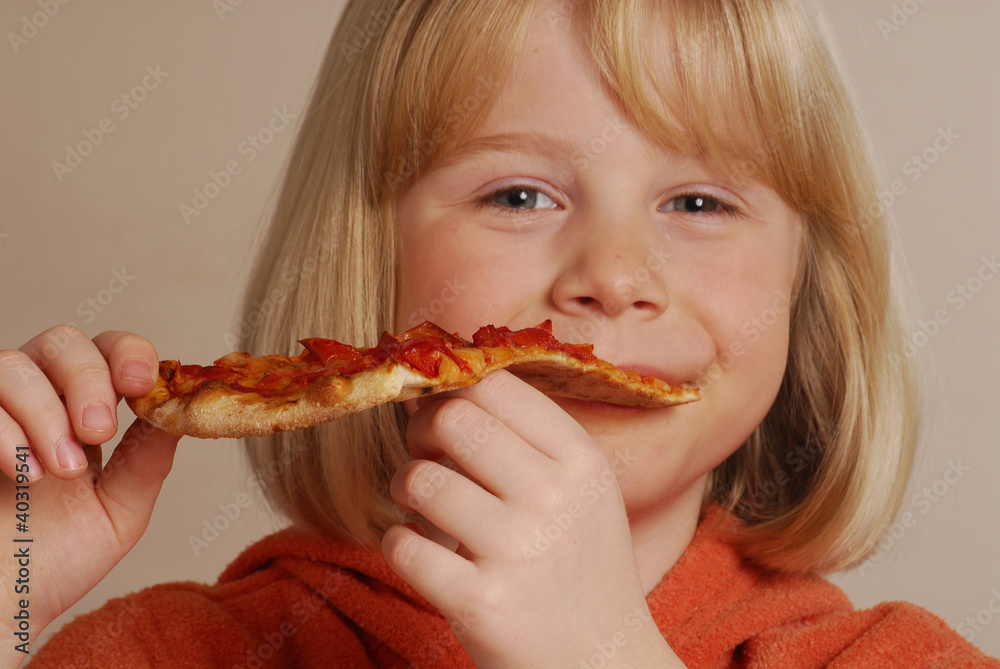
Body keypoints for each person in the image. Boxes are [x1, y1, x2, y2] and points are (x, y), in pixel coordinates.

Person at [2, 0, 997, 667]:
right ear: (371, 262)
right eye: (519, 194)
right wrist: (10, 592)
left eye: (698, 202)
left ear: (806, 284)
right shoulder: (175, 651)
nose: (612, 278)